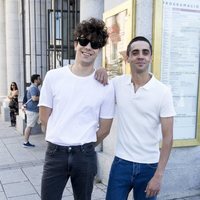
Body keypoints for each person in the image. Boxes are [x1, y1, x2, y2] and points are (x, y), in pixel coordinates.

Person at [38, 18, 115, 200]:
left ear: (99, 49)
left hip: (85, 155)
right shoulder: (53, 77)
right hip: (55, 154)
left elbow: (105, 129)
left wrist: (84, 144)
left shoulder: (105, 85)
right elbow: (44, 118)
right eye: (83, 41)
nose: (88, 47)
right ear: (75, 44)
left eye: (94, 44)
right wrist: (62, 136)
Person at [95, 36, 176, 200]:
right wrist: (100, 69)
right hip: (121, 164)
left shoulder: (163, 91)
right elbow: (97, 87)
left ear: (151, 57)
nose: (140, 56)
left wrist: (158, 176)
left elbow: (168, 138)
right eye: (135, 52)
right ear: (128, 58)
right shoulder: (118, 84)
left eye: (145, 52)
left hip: (149, 166)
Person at [23, 74, 41, 147]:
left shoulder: (34, 87)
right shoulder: (33, 88)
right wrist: (43, 97)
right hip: (33, 111)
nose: (41, 80)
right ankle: (25, 142)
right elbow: (34, 98)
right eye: (39, 79)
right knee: (29, 126)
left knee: (42, 123)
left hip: (35, 110)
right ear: (35, 80)